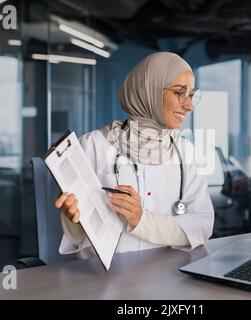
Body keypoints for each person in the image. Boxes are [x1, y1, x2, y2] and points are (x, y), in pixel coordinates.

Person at [54, 52, 214, 259]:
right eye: (179, 92)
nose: (189, 105)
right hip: (104, 283)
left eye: (191, 94)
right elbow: (78, 234)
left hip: (169, 278)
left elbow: (201, 225)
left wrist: (142, 221)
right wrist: (72, 219)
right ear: (149, 91)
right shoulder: (93, 146)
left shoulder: (187, 154)